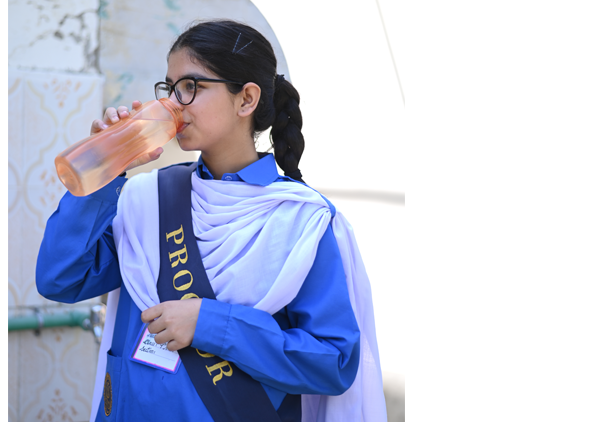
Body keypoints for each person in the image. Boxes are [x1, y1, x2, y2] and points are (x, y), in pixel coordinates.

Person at [36, 19, 385, 422]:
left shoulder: (302, 220)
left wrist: (211, 324)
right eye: (169, 88)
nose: (172, 104)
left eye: (191, 87)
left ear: (246, 99)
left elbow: (333, 362)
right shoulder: (146, 198)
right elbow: (60, 279)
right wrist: (107, 168)